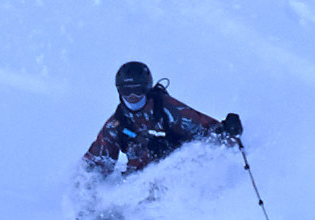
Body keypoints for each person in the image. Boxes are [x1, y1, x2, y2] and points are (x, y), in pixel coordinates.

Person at [82, 61, 242, 176]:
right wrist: (87, 188)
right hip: (136, 185)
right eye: (126, 91)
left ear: (146, 88)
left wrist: (227, 130)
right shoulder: (117, 125)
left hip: (176, 176)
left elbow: (206, 132)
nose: (132, 97)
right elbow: (96, 164)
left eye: (137, 90)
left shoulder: (169, 111)